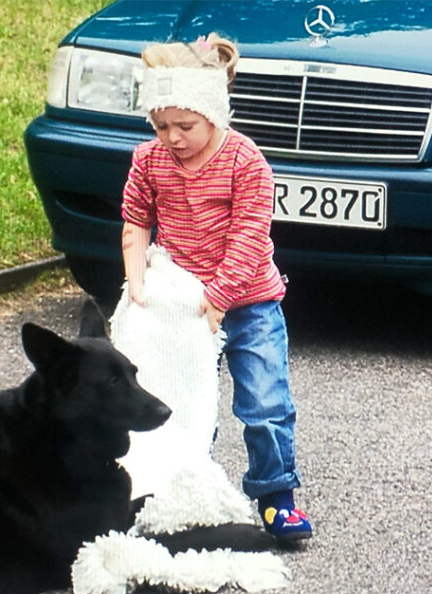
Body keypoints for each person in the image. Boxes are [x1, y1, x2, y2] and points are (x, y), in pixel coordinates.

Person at [120, 33, 312, 541]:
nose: (172, 137)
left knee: (264, 401)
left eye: (185, 126)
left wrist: (220, 298)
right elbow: (136, 221)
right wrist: (137, 283)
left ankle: (275, 494)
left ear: (213, 113)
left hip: (249, 301)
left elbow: (249, 236)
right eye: (160, 126)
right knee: (181, 399)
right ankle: (186, 490)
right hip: (180, 300)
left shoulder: (245, 161)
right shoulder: (149, 159)